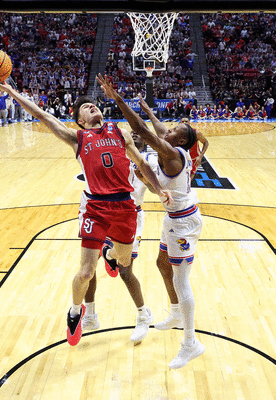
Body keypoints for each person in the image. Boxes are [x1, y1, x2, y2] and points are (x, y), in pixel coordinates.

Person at [0, 77, 172, 347]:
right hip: (96, 209)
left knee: (124, 263)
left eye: (93, 104)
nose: (91, 106)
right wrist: (11, 91)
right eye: (85, 107)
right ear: (80, 122)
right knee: (85, 272)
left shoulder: (120, 133)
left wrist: (158, 189)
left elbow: (142, 163)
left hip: (124, 208)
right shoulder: (77, 138)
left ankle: (110, 254)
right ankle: (75, 312)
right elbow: (42, 115)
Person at [99, 74, 205, 369]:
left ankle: (191, 344)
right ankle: (175, 313)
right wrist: (147, 109)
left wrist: (118, 99)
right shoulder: (174, 145)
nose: (166, 130)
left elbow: (143, 131)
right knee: (162, 264)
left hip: (184, 222)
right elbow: (157, 127)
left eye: (172, 130)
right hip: (174, 218)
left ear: (179, 140)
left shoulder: (171, 153)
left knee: (182, 280)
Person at [82, 131, 156, 344]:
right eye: (130, 132)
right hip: (106, 212)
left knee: (125, 271)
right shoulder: (114, 154)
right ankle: (90, 314)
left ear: (144, 140)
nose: (133, 134)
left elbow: (154, 189)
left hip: (131, 216)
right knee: (89, 266)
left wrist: (145, 179)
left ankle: (144, 314)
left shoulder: (148, 161)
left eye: (137, 133)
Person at [179, 116, 209, 180]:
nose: (184, 123)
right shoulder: (177, 133)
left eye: (186, 121)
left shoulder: (196, 133)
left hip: (193, 159)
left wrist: (200, 157)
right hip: (181, 158)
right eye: (183, 121)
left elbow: (206, 143)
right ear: (180, 123)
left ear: (189, 123)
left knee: (189, 179)